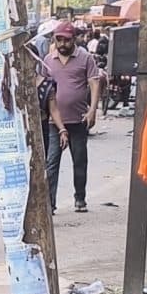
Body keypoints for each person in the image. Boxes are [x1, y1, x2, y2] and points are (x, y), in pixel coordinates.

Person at [40, 22, 100, 212]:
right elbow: (41, 85)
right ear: (54, 40)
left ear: (73, 39)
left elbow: (94, 83)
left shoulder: (85, 58)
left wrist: (93, 110)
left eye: (66, 40)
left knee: (80, 161)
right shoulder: (48, 60)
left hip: (78, 120)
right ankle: (50, 202)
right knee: (51, 163)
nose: (63, 44)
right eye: (59, 39)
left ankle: (80, 198)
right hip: (54, 122)